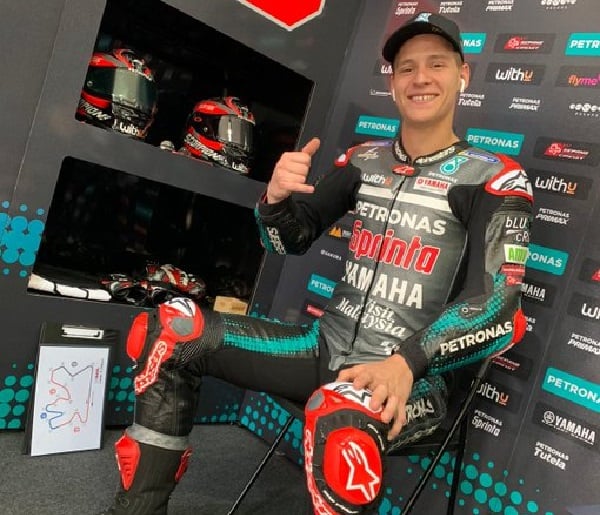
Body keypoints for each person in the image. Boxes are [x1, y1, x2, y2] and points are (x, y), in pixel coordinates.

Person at [101, 12, 533, 515]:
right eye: (406, 68)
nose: (420, 78)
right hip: (321, 350)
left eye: (436, 64)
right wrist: (276, 200)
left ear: (463, 75)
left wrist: (406, 363)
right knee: (171, 330)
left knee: (340, 421)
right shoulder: (363, 161)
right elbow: (288, 240)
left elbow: (499, 306)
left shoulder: (494, 178)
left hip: (414, 380)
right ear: (393, 83)